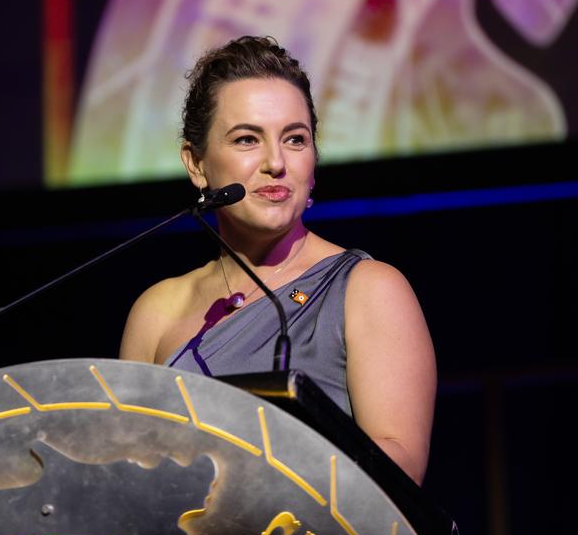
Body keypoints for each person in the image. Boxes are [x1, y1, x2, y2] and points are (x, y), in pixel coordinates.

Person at [120, 36, 435, 484]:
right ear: (196, 163)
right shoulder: (156, 312)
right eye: (247, 139)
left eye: (295, 139)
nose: (276, 162)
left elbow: (399, 468)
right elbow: (130, 479)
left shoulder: (368, 289)